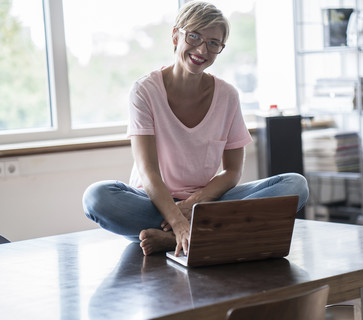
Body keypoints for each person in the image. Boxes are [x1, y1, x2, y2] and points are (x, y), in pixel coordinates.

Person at [82, 1, 308, 257]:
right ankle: (199, 234)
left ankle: (174, 239)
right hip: (153, 202)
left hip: (206, 204)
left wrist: (194, 204)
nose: (202, 49)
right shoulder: (144, 91)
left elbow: (232, 171)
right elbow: (148, 171)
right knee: (97, 197)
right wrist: (177, 221)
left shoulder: (228, 96)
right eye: (194, 36)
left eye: (213, 43)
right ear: (176, 35)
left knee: (295, 185)